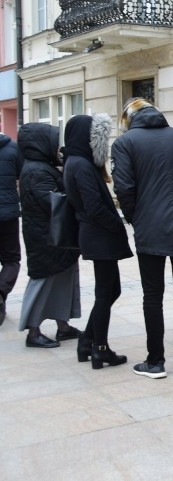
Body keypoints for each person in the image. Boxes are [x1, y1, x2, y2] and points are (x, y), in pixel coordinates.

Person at [112, 98, 173, 378]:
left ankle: (155, 362)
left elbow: (124, 187)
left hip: (150, 226)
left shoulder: (125, 143)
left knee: (152, 295)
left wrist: (136, 216)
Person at [63, 114, 133, 369]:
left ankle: (87, 341)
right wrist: (118, 224)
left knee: (111, 290)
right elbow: (93, 207)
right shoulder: (80, 164)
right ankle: (100, 349)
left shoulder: (77, 162)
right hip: (98, 235)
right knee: (105, 293)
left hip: (96, 234)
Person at [17, 123, 82, 348]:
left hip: (54, 236)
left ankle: (63, 326)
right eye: (53, 141)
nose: (57, 146)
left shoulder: (43, 167)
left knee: (64, 280)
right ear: (40, 144)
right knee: (43, 282)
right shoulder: (36, 170)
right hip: (45, 238)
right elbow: (54, 202)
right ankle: (33, 332)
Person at [0, 131, 21, 326]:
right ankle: (1, 292)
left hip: (8, 213)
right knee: (11, 260)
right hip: (7, 215)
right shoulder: (13, 148)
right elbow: (21, 176)